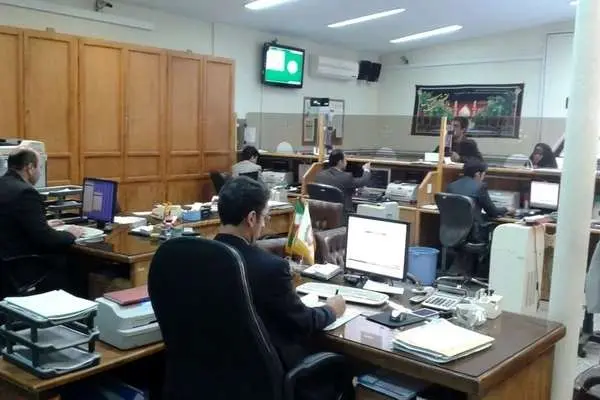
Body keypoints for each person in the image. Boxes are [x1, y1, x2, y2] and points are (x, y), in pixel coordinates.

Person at [214, 177, 352, 400]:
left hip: (215, 375)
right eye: (265, 218)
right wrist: (331, 310)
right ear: (251, 218)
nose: (264, 225)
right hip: (267, 379)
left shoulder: (200, 258)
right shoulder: (269, 268)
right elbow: (303, 322)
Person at [0, 147, 83, 294]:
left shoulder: (4, 184)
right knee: (76, 263)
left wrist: (40, 224)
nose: (39, 172)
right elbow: (47, 239)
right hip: (22, 268)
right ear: (30, 168)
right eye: (39, 167)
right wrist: (71, 234)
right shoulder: (26, 192)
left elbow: (10, 223)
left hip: (5, 265)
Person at [446, 159, 511, 243]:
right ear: (477, 174)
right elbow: (493, 212)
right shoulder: (480, 187)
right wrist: (507, 209)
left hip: (451, 232)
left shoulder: (451, 186)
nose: (483, 178)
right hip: (472, 233)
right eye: (484, 174)